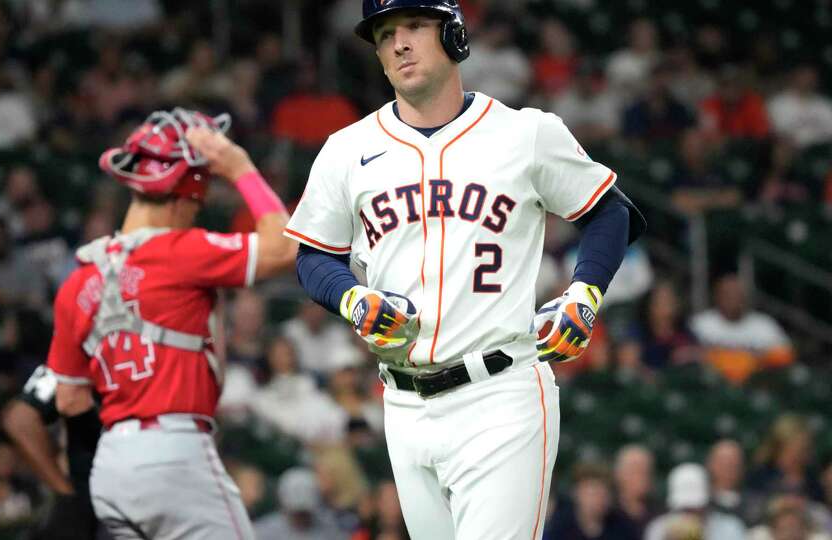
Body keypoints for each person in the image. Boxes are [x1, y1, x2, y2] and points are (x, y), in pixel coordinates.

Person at [284, 1, 646, 538]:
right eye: (384, 35)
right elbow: (315, 254)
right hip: (403, 404)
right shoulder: (347, 150)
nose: (399, 43)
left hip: (500, 392)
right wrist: (351, 298)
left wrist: (584, 293)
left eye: (413, 26)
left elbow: (609, 210)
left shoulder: (525, 133)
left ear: (453, 35)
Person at [48, 108, 296, 539]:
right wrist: (239, 168)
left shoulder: (79, 277)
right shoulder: (182, 252)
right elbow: (286, 246)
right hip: (173, 453)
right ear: (188, 194)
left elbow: (69, 399)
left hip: (110, 466)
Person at [1, 364, 102, 539]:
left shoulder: (86, 350)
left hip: (97, 501)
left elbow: (19, 420)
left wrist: (66, 493)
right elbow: (19, 419)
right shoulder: (83, 352)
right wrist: (66, 492)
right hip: (97, 503)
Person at [690, 274, 794, 384]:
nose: (732, 298)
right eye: (727, 294)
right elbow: (688, 356)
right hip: (711, 385)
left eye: (737, 294)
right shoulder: (700, 324)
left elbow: (785, 356)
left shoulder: (764, 324)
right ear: (717, 296)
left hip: (756, 384)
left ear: (745, 297)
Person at [644, 463, 746, 540]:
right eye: (685, 509)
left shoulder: (730, 528)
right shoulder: (658, 529)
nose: (691, 514)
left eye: (696, 507)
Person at [253, 467, 345, 540]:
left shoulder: (331, 529)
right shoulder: (263, 532)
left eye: (304, 513)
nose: (301, 518)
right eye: (296, 514)